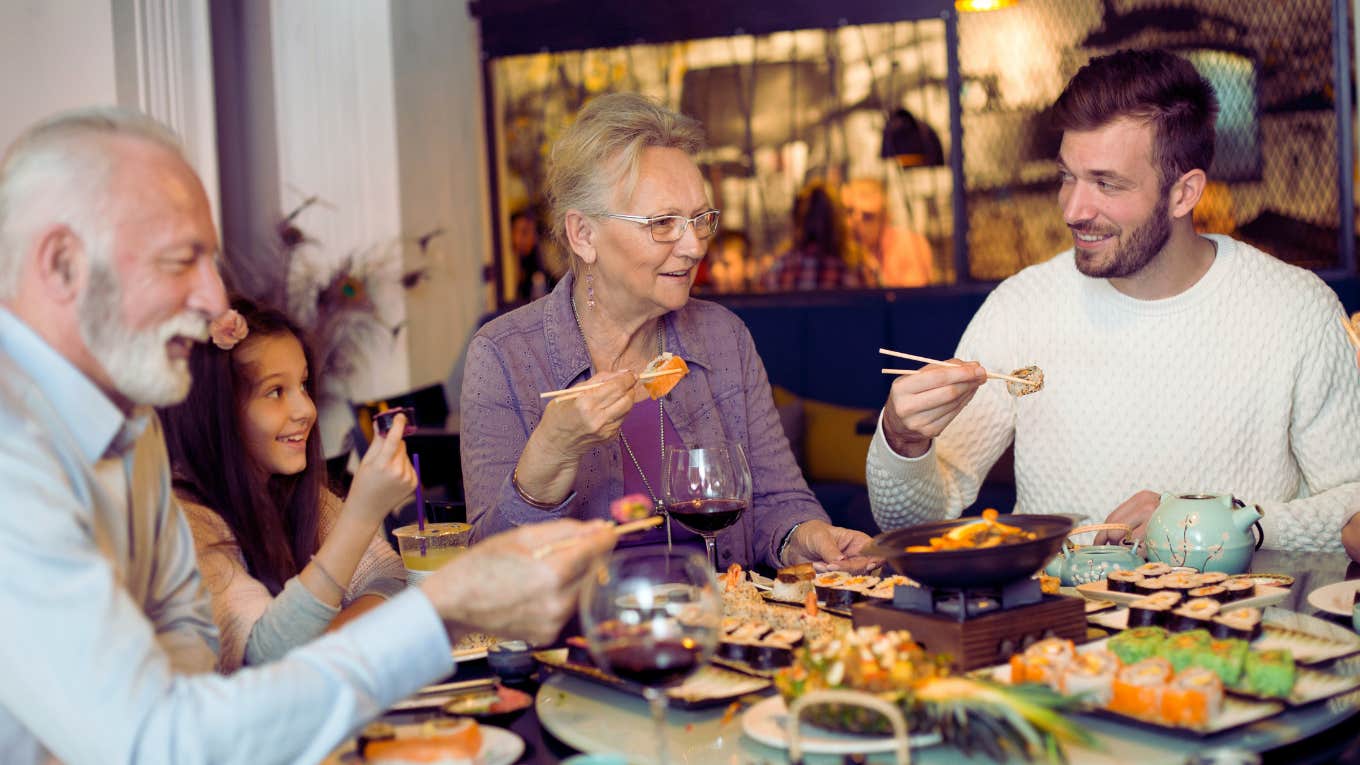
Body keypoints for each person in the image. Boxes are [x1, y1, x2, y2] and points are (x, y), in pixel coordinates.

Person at [0, 107, 614, 763]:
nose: (215, 300)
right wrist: (443, 610)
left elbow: (192, 646)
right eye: (182, 260)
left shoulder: (131, 425)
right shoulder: (15, 461)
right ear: (62, 263)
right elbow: (160, 737)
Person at [866, 49, 1360, 552]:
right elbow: (908, 521)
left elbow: (1354, 504)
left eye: (1106, 183)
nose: (1074, 210)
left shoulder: (1297, 312)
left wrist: (1226, 521)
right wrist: (903, 442)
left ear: (1184, 193)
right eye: (1067, 177)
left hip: (1239, 625)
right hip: (1056, 624)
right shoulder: (1021, 307)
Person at [460, 92, 875, 572]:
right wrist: (552, 449)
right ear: (583, 235)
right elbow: (489, 572)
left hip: (721, 628)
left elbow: (779, 502)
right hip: (584, 638)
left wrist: (805, 537)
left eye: (700, 219)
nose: (695, 245)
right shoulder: (504, 357)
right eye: (662, 223)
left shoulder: (723, 338)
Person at [158, 298, 415, 672]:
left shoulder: (293, 492)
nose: (306, 410)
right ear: (217, 411)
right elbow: (265, 657)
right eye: (275, 391)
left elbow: (391, 580)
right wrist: (361, 516)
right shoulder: (188, 522)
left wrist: (318, 647)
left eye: (303, 385)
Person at [761, 181, 867, 291]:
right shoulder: (859, 267)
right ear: (837, 220)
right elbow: (883, 301)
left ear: (798, 220)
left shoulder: (778, 268)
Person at [842, 177, 933, 287]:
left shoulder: (909, 244)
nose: (854, 223)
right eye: (849, 212)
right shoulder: (840, 246)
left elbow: (915, 297)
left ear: (884, 218)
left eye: (867, 216)